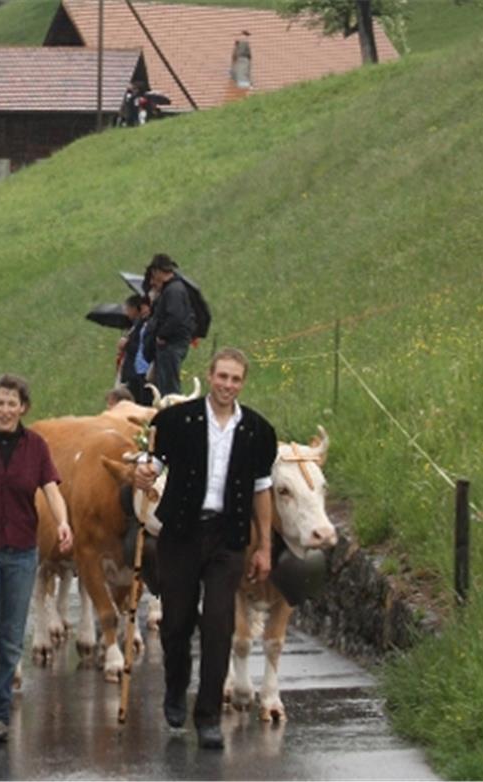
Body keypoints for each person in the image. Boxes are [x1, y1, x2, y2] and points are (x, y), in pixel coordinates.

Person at [134, 347, 277, 751]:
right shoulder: (176, 421)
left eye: (235, 379)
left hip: (227, 538)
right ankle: (176, 688)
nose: (228, 385)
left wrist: (264, 545)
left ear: (243, 383)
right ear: (210, 376)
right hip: (180, 534)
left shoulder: (258, 431)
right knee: (177, 623)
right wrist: (143, 474)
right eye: (222, 377)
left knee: (219, 623)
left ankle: (209, 715)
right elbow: (152, 464)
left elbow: (261, 491)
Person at [0, 374, 71, 749]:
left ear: (23, 408)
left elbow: (51, 489)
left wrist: (64, 521)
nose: (4, 410)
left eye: (11, 403)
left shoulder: (36, 446)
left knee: (11, 635)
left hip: (22, 549)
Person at [143, 254, 195, 396]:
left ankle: (174, 414)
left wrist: (162, 335)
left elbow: (175, 317)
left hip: (171, 344)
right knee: (164, 386)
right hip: (169, 345)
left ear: (159, 271)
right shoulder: (171, 289)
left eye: (154, 273)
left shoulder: (174, 290)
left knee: (170, 389)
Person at [117, 293, 153, 405]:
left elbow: (141, 346)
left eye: (128, 309)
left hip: (138, 370)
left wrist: (126, 344)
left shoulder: (146, 324)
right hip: (133, 369)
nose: (127, 313)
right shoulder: (136, 324)